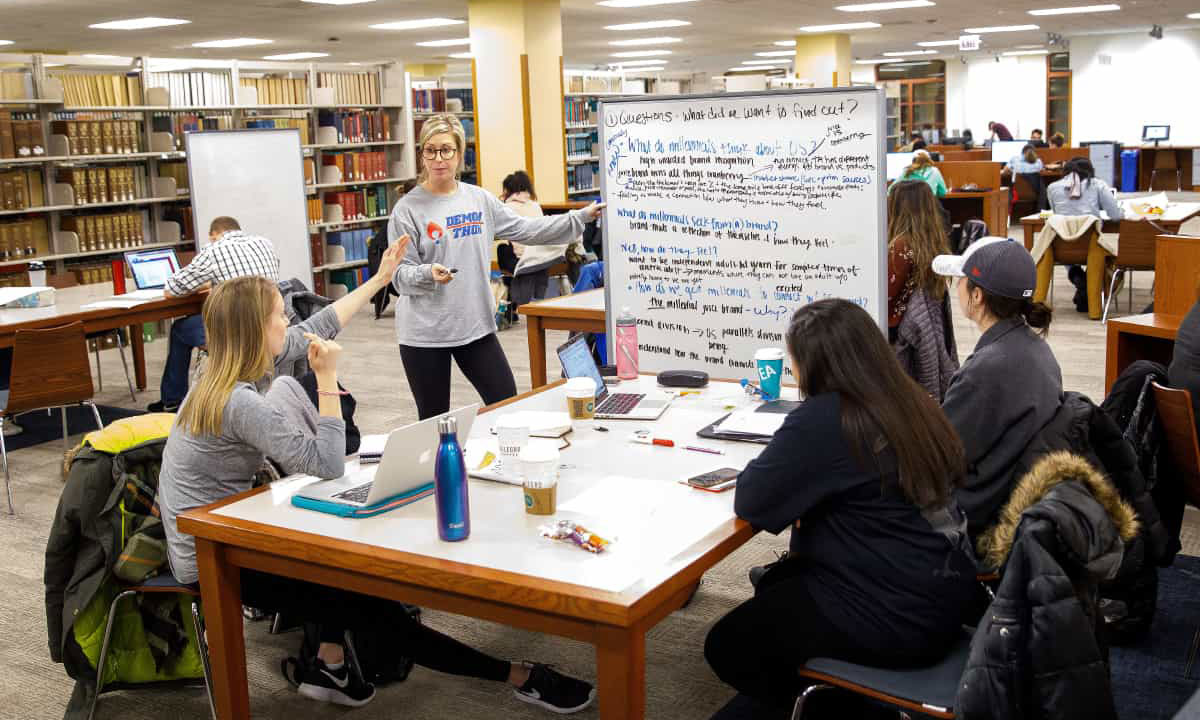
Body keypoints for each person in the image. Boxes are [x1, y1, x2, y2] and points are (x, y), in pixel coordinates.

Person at [157, 269, 596, 714]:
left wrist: (381, 278)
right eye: (279, 315)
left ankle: (329, 665)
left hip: (221, 527)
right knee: (366, 599)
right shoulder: (239, 402)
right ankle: (519, 676)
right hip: (210, 556)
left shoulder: (218, 377)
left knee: (342, 563)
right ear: (256, 330)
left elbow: (319, 324)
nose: (288, 323)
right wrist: (327, 379)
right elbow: (327, 463)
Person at [703, 298, 977, 713]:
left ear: (812, 364)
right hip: (947, 593)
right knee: (777, 588)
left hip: (894, 613)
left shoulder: (829, 418)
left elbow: (753, 499)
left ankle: (832, 707)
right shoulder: (910, 399)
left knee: (727, 644)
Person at [388, 114, 603, 419]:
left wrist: (579, 217)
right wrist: (427, 273)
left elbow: (527, 229)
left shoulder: (479, 199)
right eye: (431, 150)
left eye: (446, 150)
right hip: (425, 334)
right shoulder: (407, 209)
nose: (439, 159)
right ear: (422, 154)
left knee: (508, 406)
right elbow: (398, 276)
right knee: (434, 421)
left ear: (459, 153)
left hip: (475, 325)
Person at [934, 238, 1064, 538]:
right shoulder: (1037, 349)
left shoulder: (985, 371)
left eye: (960, 280)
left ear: (977, 295)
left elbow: (940, 457)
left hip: (977, 513)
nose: (956, 288)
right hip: (1019, 500)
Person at [150, 216, 280, 412]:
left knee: (180, 329)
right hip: (269, 324)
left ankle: (173, 399)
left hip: (235, 331)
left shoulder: (213, 250)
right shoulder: (264, 243)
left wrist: (202, 284)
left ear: (213, 235)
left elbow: (172, 289)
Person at [1045, 157, 1126, 316]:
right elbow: (1116, 216)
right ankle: (1088, 285)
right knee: (1103, 253)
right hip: (1091, 247)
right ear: (1090, 171)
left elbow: (1057, 215)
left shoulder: (1052, 187)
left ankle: (1078, 277)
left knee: (1065, 240)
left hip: (1063, 248)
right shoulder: (1097, 185)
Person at [496, 170, 586, 312]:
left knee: (502, 248)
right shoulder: (535, 205)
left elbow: (501, 233)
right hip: (546, 259)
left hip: (524, 259)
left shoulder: (506, 208)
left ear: (508, 189)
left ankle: (510, 299)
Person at [886, 179, 951, 333]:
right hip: (920, 324)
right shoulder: (933, 240)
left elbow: (885, 297)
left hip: (896, 327)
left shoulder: (901, 245)